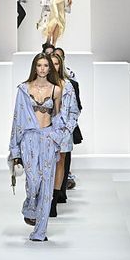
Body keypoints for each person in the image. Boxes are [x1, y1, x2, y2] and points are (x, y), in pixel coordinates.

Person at [8, 53, 64, 242]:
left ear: (50, 68)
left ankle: (40, 231)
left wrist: (57, 139)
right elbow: (17, 119)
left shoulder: (56, 90)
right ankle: (30, 207)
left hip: (48, 138)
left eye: (46, 65)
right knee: (33, 181)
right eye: (39, 65)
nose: (42, 69)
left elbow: (58, 117)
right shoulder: (24, 89)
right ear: (34, 67)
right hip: (29, 139)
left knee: (46, 183)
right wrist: (15, 150)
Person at [49, 52, 80, 217]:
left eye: (56, 63)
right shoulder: (41, 85)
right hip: (46, 131)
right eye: (51, 63)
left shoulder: (68, 86)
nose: (53, 66)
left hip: (64, 132)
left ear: (60, 65)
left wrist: (68, 129)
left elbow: (74, 110)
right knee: (47, 164)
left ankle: (54, 201)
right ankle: (45, 198)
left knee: (60, 162)